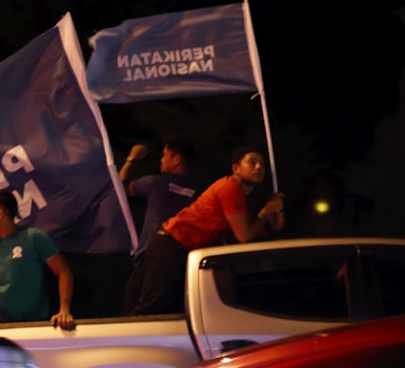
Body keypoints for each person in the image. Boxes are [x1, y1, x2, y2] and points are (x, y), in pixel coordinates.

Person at [128, 146, 285, 316]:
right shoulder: (229, 187)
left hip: (171, 248)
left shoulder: (237, 196)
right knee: (150, 311)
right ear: (236, 168)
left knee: (155, 310)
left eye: (262, 164)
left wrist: (268, 224)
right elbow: (244, 235)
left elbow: (240, 233)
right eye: (252, 162)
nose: (259, 167)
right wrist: (266, 212)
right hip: (170, 247)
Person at [0, 188, 75, 335]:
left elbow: (64, 273)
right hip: (0, 329)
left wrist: (64, 311)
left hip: (36, 327)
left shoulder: (33, 237)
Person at [119, 135, 199, 314]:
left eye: (165, 155)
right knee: (134, 313)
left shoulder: (157, 183)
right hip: (165, 260)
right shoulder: (197, 191)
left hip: (160, 256)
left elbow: (120, 187)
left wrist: (131, 159)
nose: (161, 160)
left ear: (176, 159)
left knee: (141, 315)